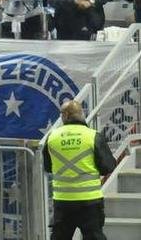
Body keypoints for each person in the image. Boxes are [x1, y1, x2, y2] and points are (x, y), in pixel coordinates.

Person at [44, 99, 116, 240]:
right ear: (81, 114)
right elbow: (108, 167)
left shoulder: (52, 137)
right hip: (90, 201)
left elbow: (48, 167)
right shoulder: (93, 136)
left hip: (63, 201)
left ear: (64, 116)